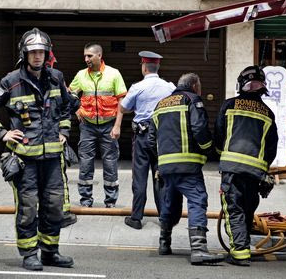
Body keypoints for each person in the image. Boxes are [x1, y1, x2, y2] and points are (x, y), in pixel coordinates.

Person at [0, 28, 74, 270]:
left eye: (41, 52)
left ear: (47, 53)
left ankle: (50, 252)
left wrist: (64, 131)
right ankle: (29, 253)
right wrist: (2, 133)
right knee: (28, 208)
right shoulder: (11, 81)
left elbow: (66, 107)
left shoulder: (56, 77)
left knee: (53, 206)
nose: (37, 56)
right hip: (24, 161)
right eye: (33, 52)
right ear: (24, 54)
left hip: (53, 158)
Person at [149, 73, 225, 265]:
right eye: (199, 86)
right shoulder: (192, 100)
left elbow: (151, 137)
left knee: (170, 202)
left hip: (165, 166)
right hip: (187, 165)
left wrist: (161, 161)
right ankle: (199, 249)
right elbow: (199, 129)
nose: (200, 90)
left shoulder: (161, 104)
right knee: (197, 200)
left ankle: (164, 243)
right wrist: (210, 151)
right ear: (193, 86)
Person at [214, 65, 278, 266]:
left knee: (234, 209)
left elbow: (219, 134)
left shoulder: (229, 105)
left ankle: (239, 252)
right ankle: (243, 244)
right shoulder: (268, 112)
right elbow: (271, 147)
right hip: (255, 172)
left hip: (232, 169)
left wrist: (221, 156)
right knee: (248, 208)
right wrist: (264, 169)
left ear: (241, 85)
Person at [118, 51, 175, 230]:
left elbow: (123, 107)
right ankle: (165, 218)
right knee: (161, 176)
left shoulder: (137, 87)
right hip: (162, 137)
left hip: (142, 136)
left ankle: (136, 218)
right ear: (158, 67)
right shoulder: (169, 87)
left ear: (144, 67)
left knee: (140, 177)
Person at [69, 43, 127, 208]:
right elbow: (70, 93)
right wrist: (77, 109)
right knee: (85, 163)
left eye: (89, 56)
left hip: (108, 125)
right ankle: (86, 201)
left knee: (110, 163)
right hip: (87, 126)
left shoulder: (113, 74)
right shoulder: (81, 75)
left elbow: (122, 100)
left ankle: (110, 202)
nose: (86, 59)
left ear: (99, 56)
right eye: (85, 56)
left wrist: (117, 126)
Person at [44, 49, 79, 228]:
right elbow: (70, 104)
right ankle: (63, 213)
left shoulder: (23, 79)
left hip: (50, 137)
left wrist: (64, 131)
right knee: (59, 178)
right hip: (51, 139)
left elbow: (65, 106)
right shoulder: (56, 79)